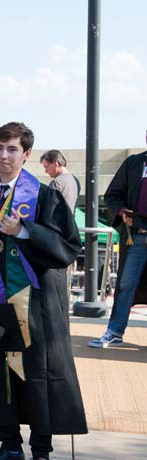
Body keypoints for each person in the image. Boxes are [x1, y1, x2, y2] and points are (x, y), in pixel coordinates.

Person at [0, 122, 86, 460]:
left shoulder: (45, 197)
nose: (4, 156)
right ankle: (9, 446)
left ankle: (42, 454)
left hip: (36, 305)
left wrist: (24, 231)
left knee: (38, 377)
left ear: (27, 154)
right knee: (1, 375)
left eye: (12, 149)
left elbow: (69, 248)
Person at [89, 131, 147, 348]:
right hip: (137, 238)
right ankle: (114, 331)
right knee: (125, 285)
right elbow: (112, 195)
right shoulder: (134, 163)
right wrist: (122, 212)